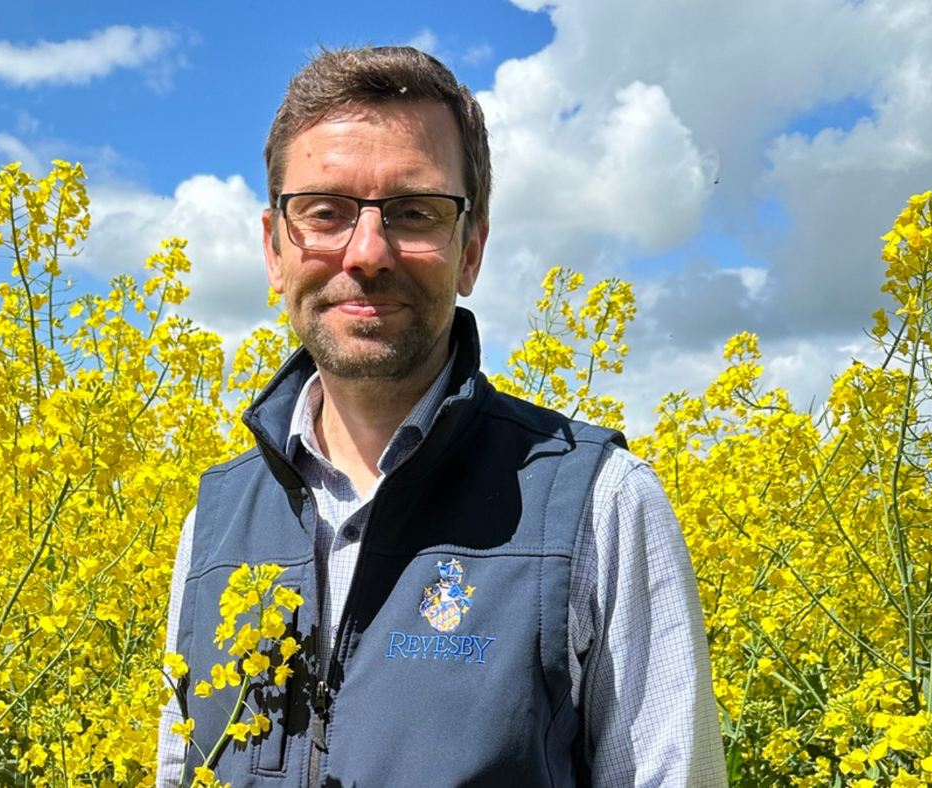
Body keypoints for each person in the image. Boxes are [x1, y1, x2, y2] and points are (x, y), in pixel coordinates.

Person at [157, 45, 726, 787]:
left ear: (471, 252)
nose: (368, 252)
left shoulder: (602, 505)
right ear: (275, 249)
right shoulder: (214, 521)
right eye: (324, 212)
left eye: (415, 213)